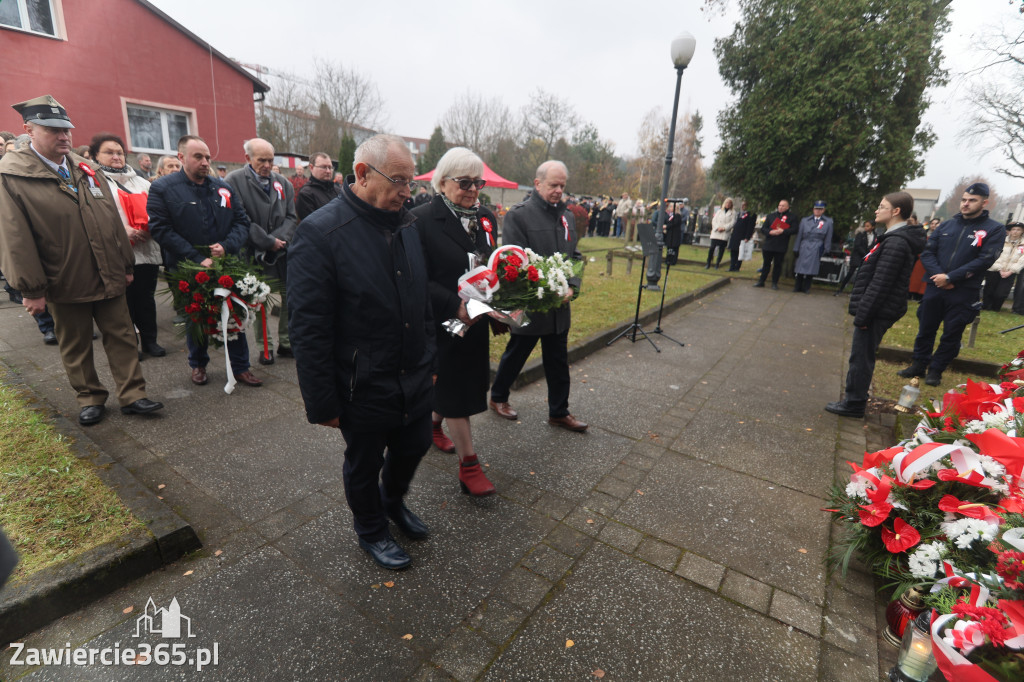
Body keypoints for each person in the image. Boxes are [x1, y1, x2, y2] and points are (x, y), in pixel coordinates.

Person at [288, 134, 435, 570]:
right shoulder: (320, 234)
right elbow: (309, 327)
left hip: (412, 371)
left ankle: (392, 503)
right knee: (364, 461)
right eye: (400, 181)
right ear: (362, 174)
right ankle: (371, 528)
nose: (408, 192)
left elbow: (421, 300)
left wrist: (432, 362)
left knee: (416, 444)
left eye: (412, 182)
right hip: (361, 381)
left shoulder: (406, 224)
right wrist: (322, 402)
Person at [0, 95, 163, 426]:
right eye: (53, 130)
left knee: (122, 336)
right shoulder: (13, 176)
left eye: (67, 130)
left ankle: (133, 394)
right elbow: (15, 238)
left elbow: (112, 221)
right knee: (75, 344)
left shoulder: (86, 167)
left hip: (109, 272)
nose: (63, 136)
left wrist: (126, 265)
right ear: (28, 129)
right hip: (63, 277)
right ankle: (90, 397)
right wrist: (31, 289)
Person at [411, 147, 498, 497]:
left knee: (464, 383)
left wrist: (500, 306)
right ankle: (469, 466)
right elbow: (418, 279)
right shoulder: (420, 220)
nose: (473, 189)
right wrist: (455, 304)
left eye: (478, 182)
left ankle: (434, 426)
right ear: (442, 182)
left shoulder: (486, 216)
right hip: (442, 320)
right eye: (464, 182)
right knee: (454, 387)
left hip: (475, 321)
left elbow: (490, 266)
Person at [148, 135, 262, 388]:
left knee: (234, 313)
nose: (205, 162)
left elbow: (242, 221)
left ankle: (241, 367)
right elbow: (161, 229)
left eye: (208, 157)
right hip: (187, 268)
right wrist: (197, 258)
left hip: (224, 264)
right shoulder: (163, 188)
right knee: (196, 316)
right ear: (181, 158)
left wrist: (226, 246)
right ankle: (198, 364)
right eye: (198, 156)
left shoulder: (221, 186)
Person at [489, 160, 587, 432]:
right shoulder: (518, 216)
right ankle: (498, 397)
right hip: (533, 305)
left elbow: (575, 256)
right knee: (516, 355)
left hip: (559, 309)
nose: (558, 191)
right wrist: (545, 289)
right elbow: (513, 263)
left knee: (557, 362)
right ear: (537, 183)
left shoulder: (566, 216)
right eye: (553, 185)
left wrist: (572, 285)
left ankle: (559, 411)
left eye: (562, 186)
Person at [826, 192, 926, 418]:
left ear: (896, 211)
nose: (877, 210)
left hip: (876, 311)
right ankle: (854, 400)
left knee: (861, 357)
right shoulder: (892, 238)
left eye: (882, 206)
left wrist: (863, 316)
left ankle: (854, 404)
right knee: (861, 356)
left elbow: (881, 283)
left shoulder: (897, 243)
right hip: (877, 309)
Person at [898, 182, 1005, 386]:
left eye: (972, 201)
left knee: (952, 332)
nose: (966, 204)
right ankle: (919, 365)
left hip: (963, 290)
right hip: (935, 286)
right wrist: (939, 276)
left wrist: (951, 277)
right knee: (926, 328)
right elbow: (928, 252)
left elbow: (985, 259)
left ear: (984, 203)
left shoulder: (994, 229)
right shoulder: (947, 225)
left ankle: (936, 370)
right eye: (964, 200)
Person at [90, 133, 165, 358]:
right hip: (117, 253)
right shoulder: (92, 182)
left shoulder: (141, 182)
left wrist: (150, 228)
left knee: (146, 300)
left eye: (120, 152)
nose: (116, 157)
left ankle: (150, 341)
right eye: (109, 152)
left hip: (146, 250)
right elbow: (93, 218)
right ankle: (131, 345)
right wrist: (123, 232)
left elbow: (157, 212)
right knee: (124, 304)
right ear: (95, 156)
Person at [226, 138, 297, 365]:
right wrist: (267, 241)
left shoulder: (283, 183)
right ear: (247, 158)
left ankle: (286, 342)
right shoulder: (234, 181)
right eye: (261, 160)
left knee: (289, 298)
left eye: (270, 160)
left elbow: (291, 217)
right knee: (260, 301)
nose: (267, 165)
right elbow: (240, 218)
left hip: (282, 253)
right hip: (253, 253)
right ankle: (265, 347)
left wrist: (280, 239)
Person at [754, 199, 797, 289]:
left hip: (781, 245)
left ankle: (774, 283)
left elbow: (794, 229)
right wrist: (770, 232)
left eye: (783, 206)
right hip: (769, 244)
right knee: (766, 264)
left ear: (787, 207)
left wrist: (784, 231)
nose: (781, 207)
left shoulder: (792, 217)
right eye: (779, 205)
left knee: (778, 265)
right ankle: (761, 281)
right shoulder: (771, 216)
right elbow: (763, 229)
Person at [792, 200, 834, 293]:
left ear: (823, 210)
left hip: (816, 246)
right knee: (800, 267)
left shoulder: (828, 222)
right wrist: (796, 247)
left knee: (812, 268)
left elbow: (828, 237)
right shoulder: (804, 220)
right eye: (816, 209)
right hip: (804, 245)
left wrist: (827, 249)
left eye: (820, 209)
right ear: (813, 209)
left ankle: (806, 287)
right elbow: (799, 235)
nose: (817, 211)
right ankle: (797, 286)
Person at [981, 222, 1024, 311]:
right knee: (989, 289)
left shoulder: (1022, 244)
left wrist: (1011, 271)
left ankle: (996, 308)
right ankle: (986, 306)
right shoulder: (1001, 240)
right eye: (1013, 229)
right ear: (1010, 231)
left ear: (1022, 231)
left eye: (1018, 230)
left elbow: (1022, 260)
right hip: (995, 269)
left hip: (1010, 272)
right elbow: (995, 254)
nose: (1015, 232)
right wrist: (999, 268)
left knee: (1001, 293)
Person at [835, 220, 876, 295]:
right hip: (857, 256)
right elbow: (857, 245)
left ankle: (854, 291)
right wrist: (865, 253)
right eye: (865, 226)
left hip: (866, 257)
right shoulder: (860, 234)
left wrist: (869, 253)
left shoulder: (875, 235)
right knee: (850, 273)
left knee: (860, 275)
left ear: (873, 227)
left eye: (868, 226)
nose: (866, 228)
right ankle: (841, 289)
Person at [296, 152, 340, 220]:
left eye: (330, 167)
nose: (328, 171)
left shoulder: (337, 190)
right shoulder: (306, 194)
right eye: (324, 167)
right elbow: (312, 224)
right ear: (311, 167)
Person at [727, 201, 757, 271]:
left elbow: (750, 227)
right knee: (733, 251)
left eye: (744, 205)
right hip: (735, 235)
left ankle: (737, 267)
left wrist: (747, 237)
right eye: (742, 205)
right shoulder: (739, 213)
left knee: (739, 252)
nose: (743, 206)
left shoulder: (751, 215)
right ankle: (731, 267)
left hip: (742, 236)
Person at [708, 197, 735, 269]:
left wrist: (724, 228)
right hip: (716, 232)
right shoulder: (719, 211)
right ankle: (708, 263)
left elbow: (732, 223)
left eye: (729, 203)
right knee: (712, 248)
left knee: (721, 249)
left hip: (724, 233)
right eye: (727, 203)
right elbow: (714, 220)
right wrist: (717, 228)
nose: (728, 204)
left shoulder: (733, 213)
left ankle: (717, 263)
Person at [664, 201, 684, 266]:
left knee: (674, 248)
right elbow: (668, 221)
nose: (670, 208)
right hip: (670, 234)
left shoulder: (678, 216)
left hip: (675, 235)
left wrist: (667, 226)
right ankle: (668, 259)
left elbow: (674, 223)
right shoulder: (671, 215)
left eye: (671, 207)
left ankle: (673, 260)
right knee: (669, 247)